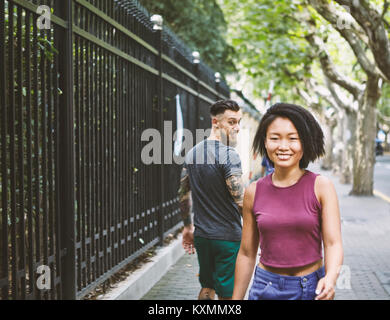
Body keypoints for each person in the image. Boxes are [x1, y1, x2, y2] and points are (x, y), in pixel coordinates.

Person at [232, 103, 343, 300]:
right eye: (275, 138)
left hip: (311, 289)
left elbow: (333, 243)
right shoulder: (253, 191)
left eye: (293, 139)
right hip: (265, 287)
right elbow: (247, 253)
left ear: (305, 142)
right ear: (265, 142)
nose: (283, 146)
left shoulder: (321, 186)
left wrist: (331, 278)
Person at [178, 99, 245, 300]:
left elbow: (182, 194)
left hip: (203, 236)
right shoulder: (229, 155)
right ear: (215, 122)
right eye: (232, 122)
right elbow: (240, 201)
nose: (238, 128)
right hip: (228, 238)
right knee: (229, 294)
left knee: (207, 287)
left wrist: (188, 227)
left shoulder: (192, 153)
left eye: (239, 122)